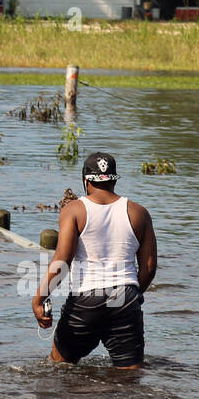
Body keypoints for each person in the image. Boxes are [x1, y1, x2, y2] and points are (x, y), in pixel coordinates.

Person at [32, 152, 157, 369]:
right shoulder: (139, 213)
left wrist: (39, 298)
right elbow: (148, 268)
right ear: (113, 180)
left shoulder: (73, 210)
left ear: (86, 181)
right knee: (129, 377)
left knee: (57, 367)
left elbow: (63, 260)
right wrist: (131, 297)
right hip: (125, 296)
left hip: (86, 299)